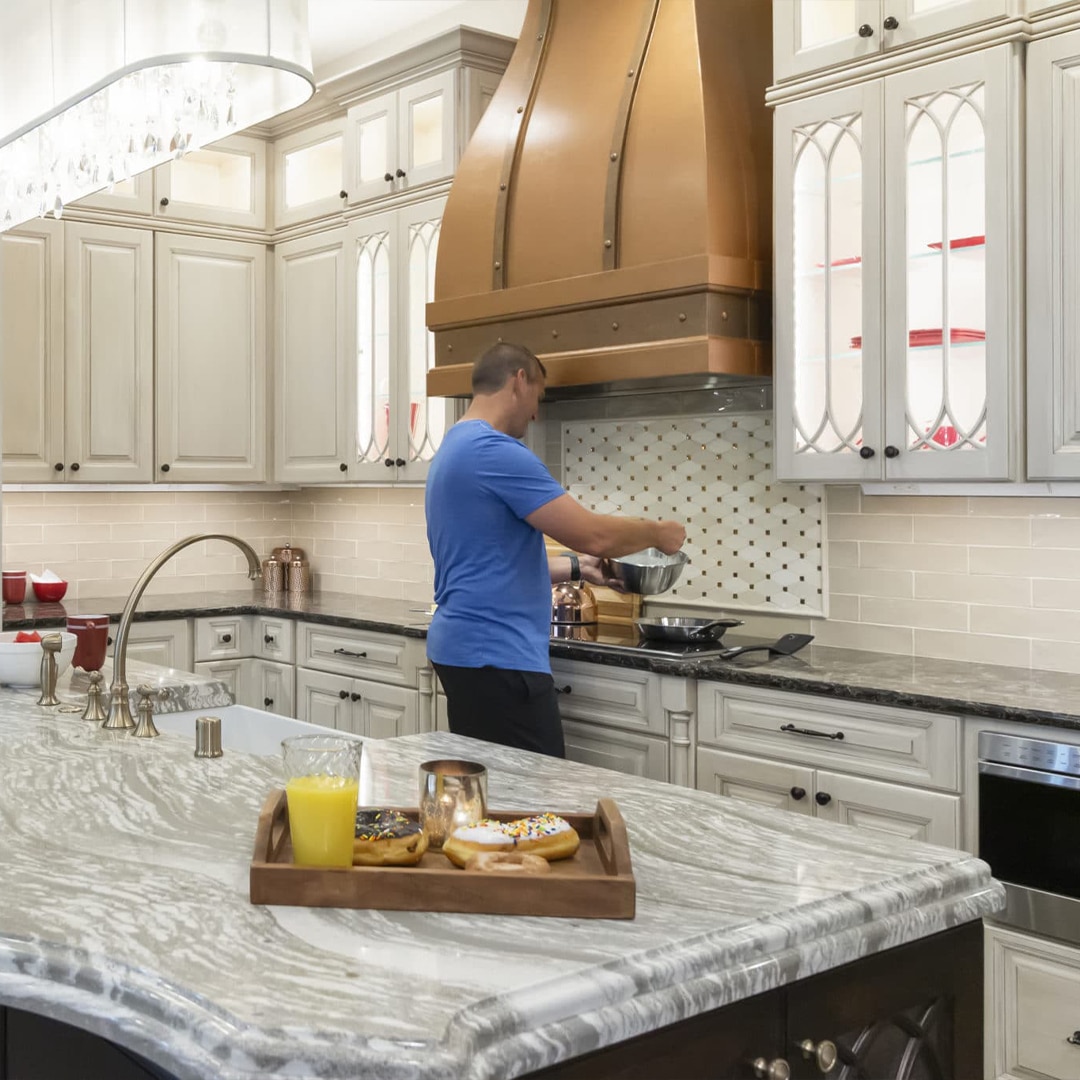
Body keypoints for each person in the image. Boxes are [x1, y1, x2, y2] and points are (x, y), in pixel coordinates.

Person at [424, 342, 686, 757]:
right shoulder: (495, 452)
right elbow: (593, 535)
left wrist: (581, 569)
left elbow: (494, 563)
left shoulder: (454, 447)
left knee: (497, 801)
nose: (536, 414)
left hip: (465, 651)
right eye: (539, 398)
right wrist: (656, 533)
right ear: (520, 380)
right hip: (499, 658)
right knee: (535, 802)